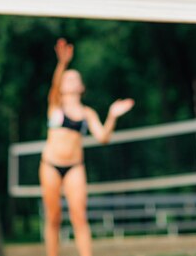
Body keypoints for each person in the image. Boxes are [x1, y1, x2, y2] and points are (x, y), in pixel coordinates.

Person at [40, 38, 135, 256]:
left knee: (79, 217)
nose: (72, 80)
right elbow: (54, 87)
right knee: (54, 218)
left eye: (76, 78)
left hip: (75, 166)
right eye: (68, 78)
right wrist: (62, 63)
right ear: (62, 85)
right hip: (50, 165)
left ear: (81, 87)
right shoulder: (55, 106)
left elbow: (103, 137)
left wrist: (112, 115)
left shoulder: (88, 113)